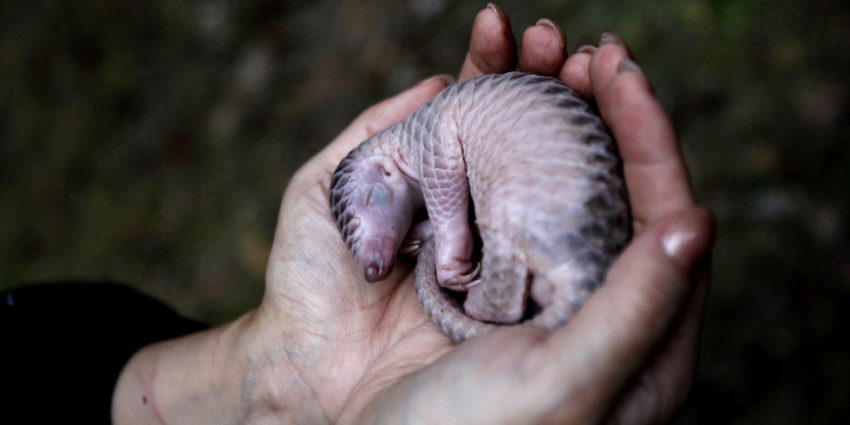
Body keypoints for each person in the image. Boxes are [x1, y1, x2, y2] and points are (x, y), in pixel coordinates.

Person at [111, 4, 715, 424]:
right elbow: (433, 216)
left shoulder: (425, 135)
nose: (374, 261)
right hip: (553, 201)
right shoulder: (425, 150)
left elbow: (449, 199)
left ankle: (500, 300)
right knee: (511, 229)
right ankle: (505, 298)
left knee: (507, 227)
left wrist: (447, 247)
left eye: (369, 226)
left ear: (382, 175)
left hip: (549, 196)